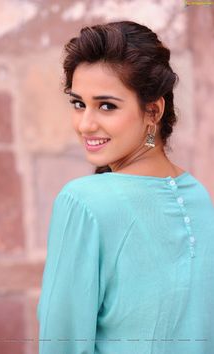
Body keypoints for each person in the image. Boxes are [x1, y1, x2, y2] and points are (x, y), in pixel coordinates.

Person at [36, 20, 214, 354]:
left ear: (153, 110)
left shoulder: (83, 202)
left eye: (107, 105)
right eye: (78, 103)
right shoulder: (198, 197)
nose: (86, 124)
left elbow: (62, 345)